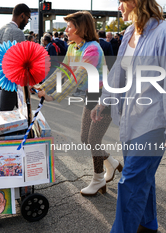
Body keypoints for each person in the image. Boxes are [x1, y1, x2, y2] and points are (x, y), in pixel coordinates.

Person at [91, 0, 166, 232]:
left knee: (131, 182)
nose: (119, 7)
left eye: (122, 1)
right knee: (142, 177)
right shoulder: (129, 33)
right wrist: (104, 102)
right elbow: (117, 76)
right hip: (131, 120)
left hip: (154, 122)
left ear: (135, 2)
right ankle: (148, 224)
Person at [37, 11, 122, 196]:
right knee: (85, 138)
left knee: (93, 139)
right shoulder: (73, 46)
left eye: (69, 26)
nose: (65, 30)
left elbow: (78, 75)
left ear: (80, 28)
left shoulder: (92, 49)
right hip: (91, 95)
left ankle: (98, 179)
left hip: (104, 96)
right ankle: (112, 163)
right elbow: (64, 71)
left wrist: (54, 96)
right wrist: (42, 86)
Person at [0, 3, 31, 111]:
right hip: (14, 80)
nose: (27, 22)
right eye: (27, 18)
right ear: (22, 16)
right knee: (7, 112)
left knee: (22, 112)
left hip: (2, 79)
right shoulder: (18, 32)